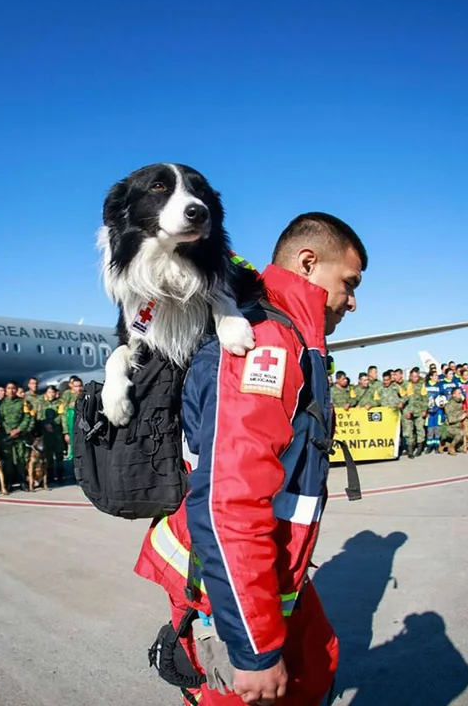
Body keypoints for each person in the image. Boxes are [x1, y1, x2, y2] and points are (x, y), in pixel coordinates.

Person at [133, 212, 367, 705]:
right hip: (229, 593)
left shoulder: (294, 338)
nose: (353, 301)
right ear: (308, 262)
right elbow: (229, 506)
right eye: (348, 283)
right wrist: (253, 649)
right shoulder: (266, 344)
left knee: (319, 664)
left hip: (267, 577)